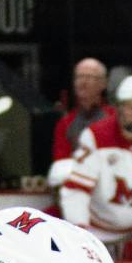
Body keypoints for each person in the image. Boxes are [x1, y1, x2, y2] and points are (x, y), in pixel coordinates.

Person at [59, 74, 132, 259]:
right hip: (95, 229)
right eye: (130, 106)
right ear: (119, 108)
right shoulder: (96, 136)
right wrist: (80, 235)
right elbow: (77, 191)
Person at [48, 56, 112, 188]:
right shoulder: (65, 124)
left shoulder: (114, 118)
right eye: (79, 77)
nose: (83, 82)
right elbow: (61, 164)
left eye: (89, 77)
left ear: (103, 83)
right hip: (77, 187)